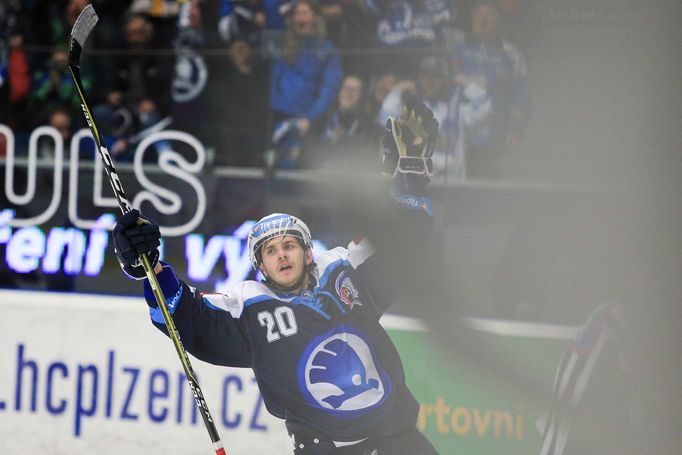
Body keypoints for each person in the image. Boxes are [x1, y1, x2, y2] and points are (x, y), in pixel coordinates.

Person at [111, 100, 440, 454]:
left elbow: (403, 244)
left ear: (308, 252)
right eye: (270, 251)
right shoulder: (251, 306)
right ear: (261, 267)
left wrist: (410, 184)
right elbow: (185, 315)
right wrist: (146, 265)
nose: (282, 254)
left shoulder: (342, 271)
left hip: (399, 440)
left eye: (289, 245)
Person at [450, 1, 531, 179]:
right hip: (456, 134)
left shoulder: (510, 53)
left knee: (485, 185)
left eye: (489, 14)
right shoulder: (456, 47)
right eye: (478, 14)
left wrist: (515, 129)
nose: (482, 19)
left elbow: (522, 95)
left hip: (494, 135)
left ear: (499, 21)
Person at [268, 0, 342, 168]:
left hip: (309, 122)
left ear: (315, 17)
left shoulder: (327, 49)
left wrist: (311, 118)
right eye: (297, 13)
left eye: (306, 12)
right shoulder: (283, 46)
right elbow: (274, 81)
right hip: (280, 118)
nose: (301, 17)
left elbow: (330, 87)